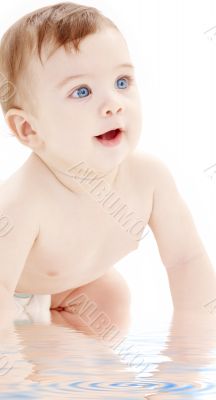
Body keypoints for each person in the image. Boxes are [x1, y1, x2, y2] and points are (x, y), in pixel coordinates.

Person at [0, 2, 216, 328]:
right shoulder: (22, 204)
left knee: (111, 298)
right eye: (82, 91)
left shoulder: (151, 179)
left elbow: (186, 261)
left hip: (61, 290)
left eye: (122, 82)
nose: (113, 105)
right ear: (29, 129)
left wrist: (192, 352)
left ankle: (67, 367)